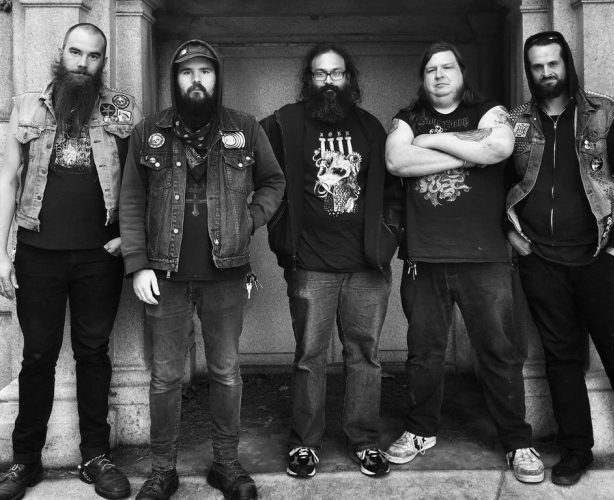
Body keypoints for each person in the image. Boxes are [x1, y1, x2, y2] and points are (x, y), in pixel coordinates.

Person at [120, 40, 284, 500]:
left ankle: (226, 464)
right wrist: (138, 264)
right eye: (187, 72)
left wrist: (249, 219)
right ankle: (162, 470)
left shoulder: (245, 128)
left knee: (227, 371)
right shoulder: (148, 132)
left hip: (226, 274)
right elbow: (131, 199)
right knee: (165, 377)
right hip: (164, 275)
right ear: (174, 79)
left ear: (217, 77)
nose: (196, 80)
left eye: (205, 72)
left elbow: (273, 181)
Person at [506, 30, 614, 493]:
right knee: (561, 358)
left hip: (598, 257)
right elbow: (496, 182)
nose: (545, 73)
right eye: (537, 66)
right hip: (540, 259)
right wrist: (512, 236)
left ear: (567, 63)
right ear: (529, 70)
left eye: (552, 63)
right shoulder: (517, 123)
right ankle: (576, 449)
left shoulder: (603, 113)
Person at [384, 41, 544, 484]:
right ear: (422, 78)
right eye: (431, 69)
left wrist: (431, 143)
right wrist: (466, 154)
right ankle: (420, 431)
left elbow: (498, 149)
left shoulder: (489, 111)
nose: (439, 75)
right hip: (424, 257)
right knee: (424, 354)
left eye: (447, 67)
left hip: (485, 256)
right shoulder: (406, 118)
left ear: (461, 72)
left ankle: (517, 441)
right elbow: (396, 159)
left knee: (499, 352)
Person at [0, 23, 141, 500]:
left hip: (100, 257)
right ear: (61, 53)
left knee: (93, 354)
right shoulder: (27, 105)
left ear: (103, 61)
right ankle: (25, 461)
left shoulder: (121, 108)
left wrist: (129, 238)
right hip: (37, 253)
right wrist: (0, 253)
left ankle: (96, 456)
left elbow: (141, 180)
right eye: (76, 52)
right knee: (38, 356)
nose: (83, 62)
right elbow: (8, 178)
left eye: (93, 55)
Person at [261, 43, 403, 479]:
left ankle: (364, 441)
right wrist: (278, 226)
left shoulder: (369, 127)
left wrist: (389, 237)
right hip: (310, 264)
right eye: (320, 73)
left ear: (349, 79)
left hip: (366, 266)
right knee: (310, 356)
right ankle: (305, 443)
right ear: (308, 79)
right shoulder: (283, 123)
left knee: (365, 356)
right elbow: (253, 166)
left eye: (336, 73)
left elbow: (393, 190)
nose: (328, 81)